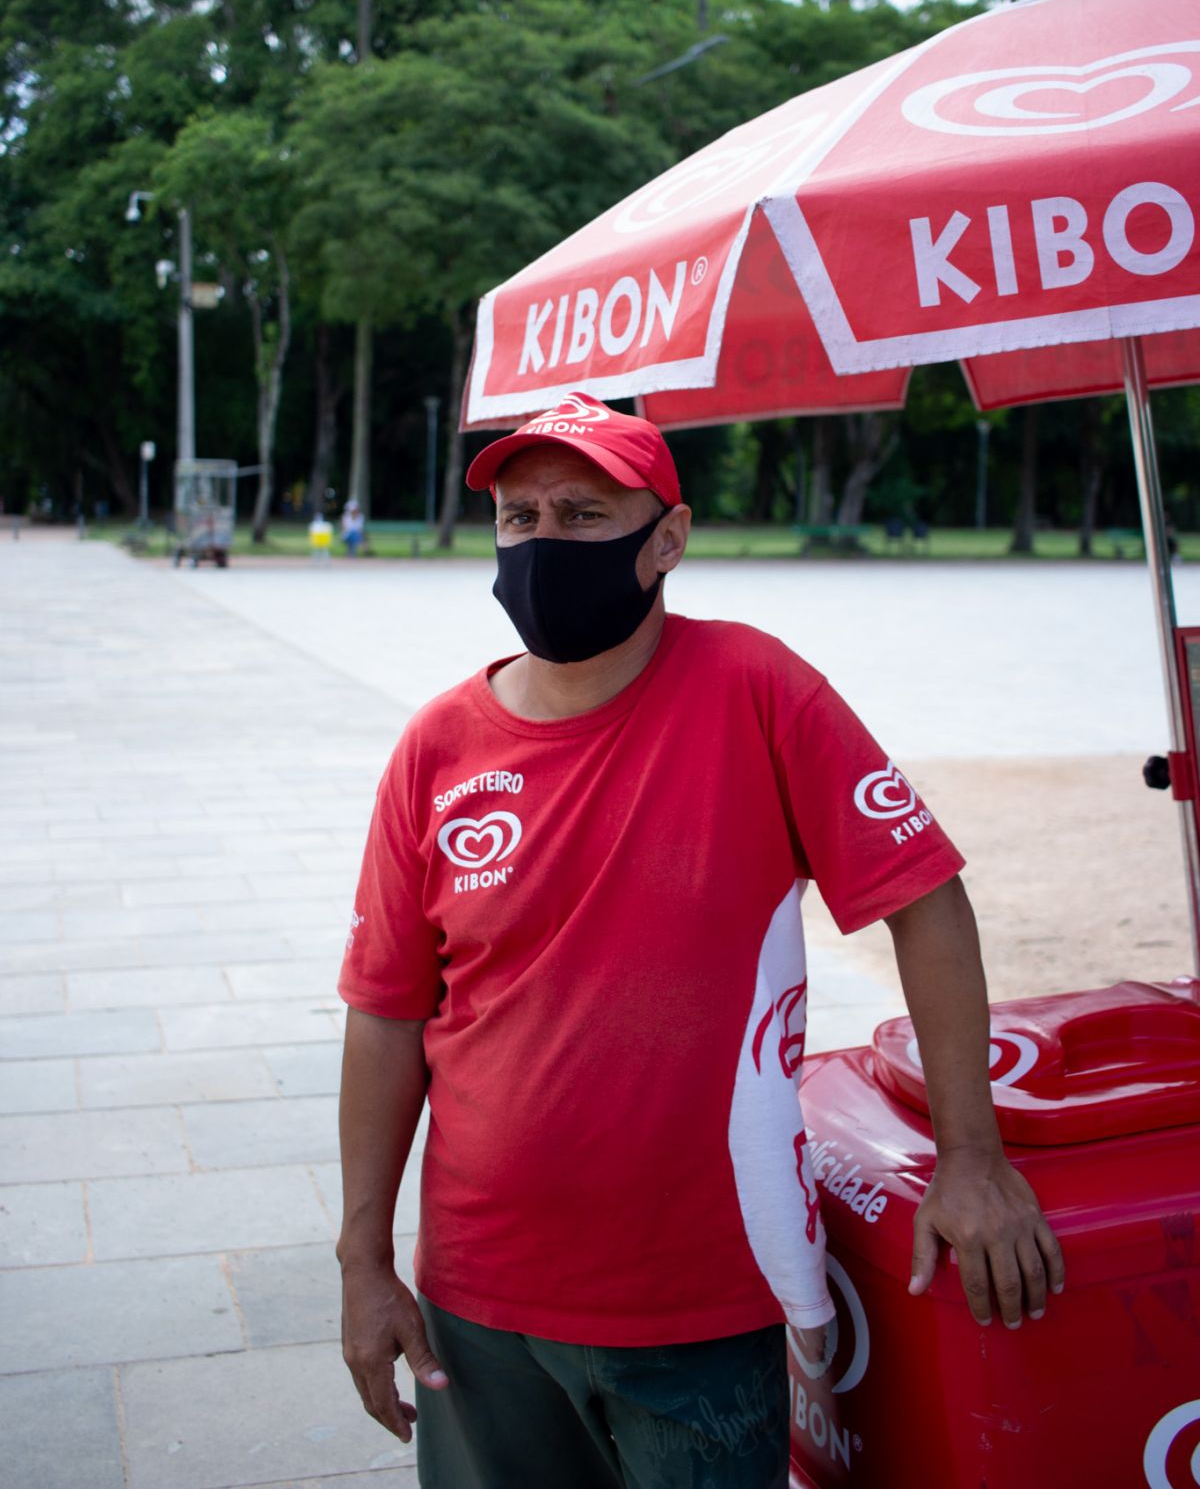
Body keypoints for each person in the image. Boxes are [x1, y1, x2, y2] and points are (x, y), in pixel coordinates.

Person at [336, 393, 1063, 1489]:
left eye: (583, 516)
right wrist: (363, 1261)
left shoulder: (759, 691)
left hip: (699, 1303)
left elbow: (928, 899)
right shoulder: (437, 746)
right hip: (481, 1306)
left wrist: (971, 1155)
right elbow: (386, 1014)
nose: (542, 543)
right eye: (519, 518)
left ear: (667, 540)